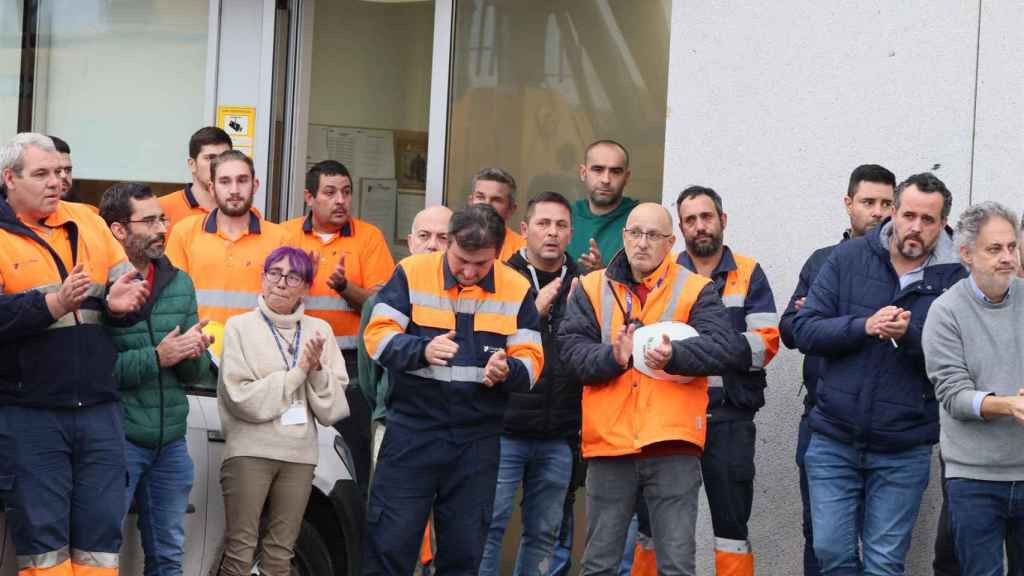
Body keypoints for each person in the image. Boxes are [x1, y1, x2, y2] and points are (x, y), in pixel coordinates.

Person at [559, 202, 748, 576]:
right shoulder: (591, 287)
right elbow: (570, 353)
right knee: (598, 565)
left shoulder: (696, 289)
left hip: (672, 445)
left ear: (670, 242)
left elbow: (724, 349)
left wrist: (674, 355)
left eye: (653, 235)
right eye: (635, 233)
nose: (642, 243)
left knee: (676, 566)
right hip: (610, 445)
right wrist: (613, 357)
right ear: (624, 235)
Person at [793, 172, 967, 576]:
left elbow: (961, 358)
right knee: (830, 552)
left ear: (943, 224)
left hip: (904, 444)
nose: (916, 227)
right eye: (908, 215)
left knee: (884, 563)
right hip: (834, 436)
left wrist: (910, 335)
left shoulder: (956, 278)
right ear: (894, 212)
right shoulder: (849, 257)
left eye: (928, 220)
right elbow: (804, 329)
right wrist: (864, 326)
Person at [362, 204, 543, 575]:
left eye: (482, 264)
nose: (470, 272)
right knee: (389, 545)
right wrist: (421, 350)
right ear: (449, 243)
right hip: (413, 431)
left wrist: (507, 370)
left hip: (477, 440)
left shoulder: (515, 288)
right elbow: (377, 338)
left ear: (498, 252)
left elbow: (532, 361)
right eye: (461, 260)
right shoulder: (412, 273)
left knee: (464, 553)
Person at [0, 133, 149, 576]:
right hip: (31, 413)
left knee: (100, 545)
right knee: (43, 548)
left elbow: (125, 294)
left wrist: (121, 306)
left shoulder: (89, 221)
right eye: (41, 174)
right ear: (9, 179)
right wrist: (53, 305)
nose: (56, 182)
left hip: (99, 409)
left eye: (59, 172)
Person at [778, 163, 895, 576]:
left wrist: (825, 317)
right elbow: (790, 330)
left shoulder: (905, 267)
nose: (878, 212)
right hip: (823, 418)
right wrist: (819, 318)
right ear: (848, 203)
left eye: (887, 203)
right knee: (821, 536)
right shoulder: (823, 261)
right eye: (868, 202)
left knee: (879, 545)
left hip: (888, 426)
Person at [100, 182, 213, 576]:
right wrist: (157, 357)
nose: (162, 229)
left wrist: (194, 353)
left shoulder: (180, 282)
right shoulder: (100, 285)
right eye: (148, 221)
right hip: (119, 439)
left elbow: (193, 374)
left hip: (171, 443)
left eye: (162, 219)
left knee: (168, 557)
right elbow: (97, 371)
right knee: (101, 552)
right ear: (118, 230)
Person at [216, 247, 349, 576]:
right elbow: (240, 397)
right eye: (274, 273)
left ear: (306, 288)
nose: (281, 282)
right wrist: (297, 373)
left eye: (293, 277)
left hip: (299, 455)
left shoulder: (320, 331)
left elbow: (333, 407)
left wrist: (315, 370)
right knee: (239, 551)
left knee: (281, 555)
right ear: (263, 278)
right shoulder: (239, 327)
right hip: (249, 451)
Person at [674, 186, 779, 576]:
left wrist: (697, 352)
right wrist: (724, 349)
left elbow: (765, 344)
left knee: (732, 529)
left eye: (706, 216)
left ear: (722, 220)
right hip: (673, 417)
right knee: (657, 526)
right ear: (681, 228)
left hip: (730, 416)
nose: (700, 226)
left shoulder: (749, 272)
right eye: (690, 220)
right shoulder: (666, 274)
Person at [479, 191, 581, 576]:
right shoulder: (498, 278)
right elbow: (483, 344)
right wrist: (532, 314)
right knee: (488, 527)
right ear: (524, 229)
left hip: (559, 433)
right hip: (504, 428)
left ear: (570, 233)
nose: (552, 233)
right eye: (543, 223)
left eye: (560, 225)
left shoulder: (585, 284)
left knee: (545, 535)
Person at [283, 159, 395, 500]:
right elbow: (271, 298)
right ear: (309, 197)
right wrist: (301, 281)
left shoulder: (369, 237)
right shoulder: (285, 235)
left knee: (352, 455)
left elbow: (382, 306)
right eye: (330, 193)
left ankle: (354, 524)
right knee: (292, 449)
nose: (340, 200)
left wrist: (346, 288)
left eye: (346, 192)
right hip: (293, 363)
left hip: (350, 367)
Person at [923, 201, 1024, 576]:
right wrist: (1008, 404)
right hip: (974, 479)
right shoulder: (945, 311)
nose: (1007, 258)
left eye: (1011, 247)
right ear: (966, 254)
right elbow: (954, 396)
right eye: (995, 249)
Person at [165, 149, 290, 380]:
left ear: (255, 185)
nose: (234, 190)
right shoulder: (185, 232)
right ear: (212, 188)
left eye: (242, 180)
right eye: (225, 181)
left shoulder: (280, 238)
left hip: (257, 363)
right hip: (198, 358)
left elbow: (286, 307)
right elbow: (172, 302)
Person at [567, 140, 639, 273]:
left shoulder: (639, 220)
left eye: (615, 172)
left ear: (626, 177)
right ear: (583, 173)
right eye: (598, 170)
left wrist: (605, 274)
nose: (606, 179)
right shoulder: (566, 217)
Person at [159, 126, 233, 229]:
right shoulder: (161, 208)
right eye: (211, 158)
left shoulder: (241, 211)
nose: (219, 164)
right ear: (192, 164)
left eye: (225, 157)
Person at [468, 166, 526, 262]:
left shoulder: (523, 250)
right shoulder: (452, 240)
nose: (486, 204)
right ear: (470, 202)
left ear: (511, 209)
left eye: (496, 200)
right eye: (480, 197)